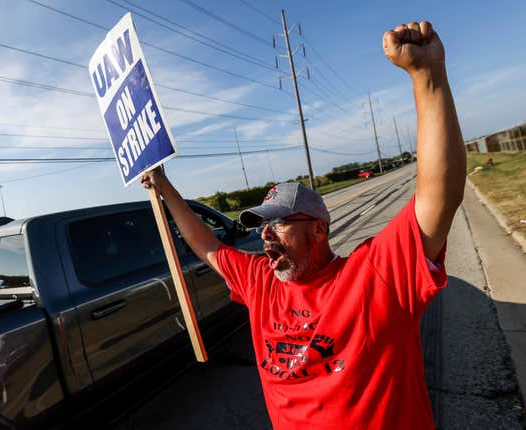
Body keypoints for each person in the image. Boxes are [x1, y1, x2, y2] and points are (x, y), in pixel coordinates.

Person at [141, 20, 465, 430]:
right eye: (261, 226)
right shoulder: (260, 281)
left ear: (318, 230)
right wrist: (166, 186)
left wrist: (427, 77)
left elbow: (440, 194)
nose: (265, 235)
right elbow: (206, 245)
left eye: (278, 224)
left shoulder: (373, 277)